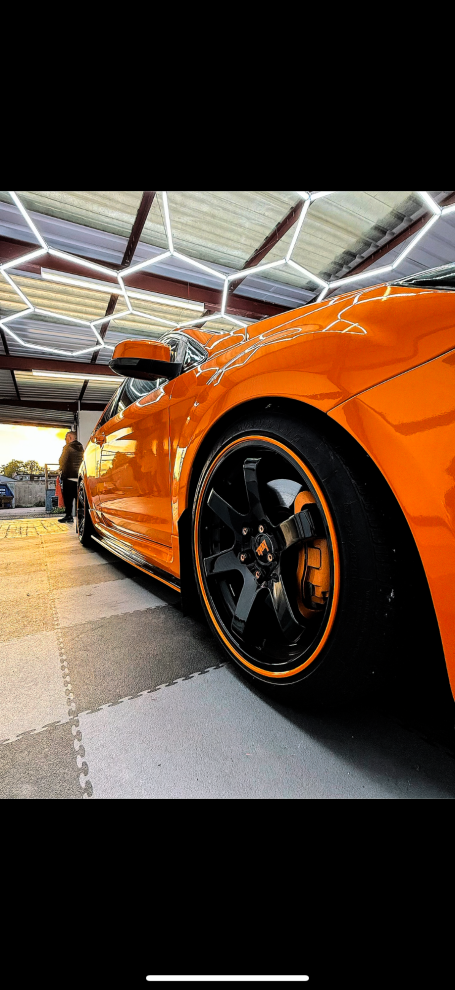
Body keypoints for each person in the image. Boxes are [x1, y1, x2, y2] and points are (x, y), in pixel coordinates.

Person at [58, 430, 84, 523]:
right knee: (78, 498)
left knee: (68, 498)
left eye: (66, 438)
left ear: (69, 437)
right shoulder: (81, 447)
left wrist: (61, 470)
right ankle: (80, 517)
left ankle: (68, 516)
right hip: (78, 477)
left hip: (68, 476)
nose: (65, 440)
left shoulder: (68, 447)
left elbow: (62, 461)